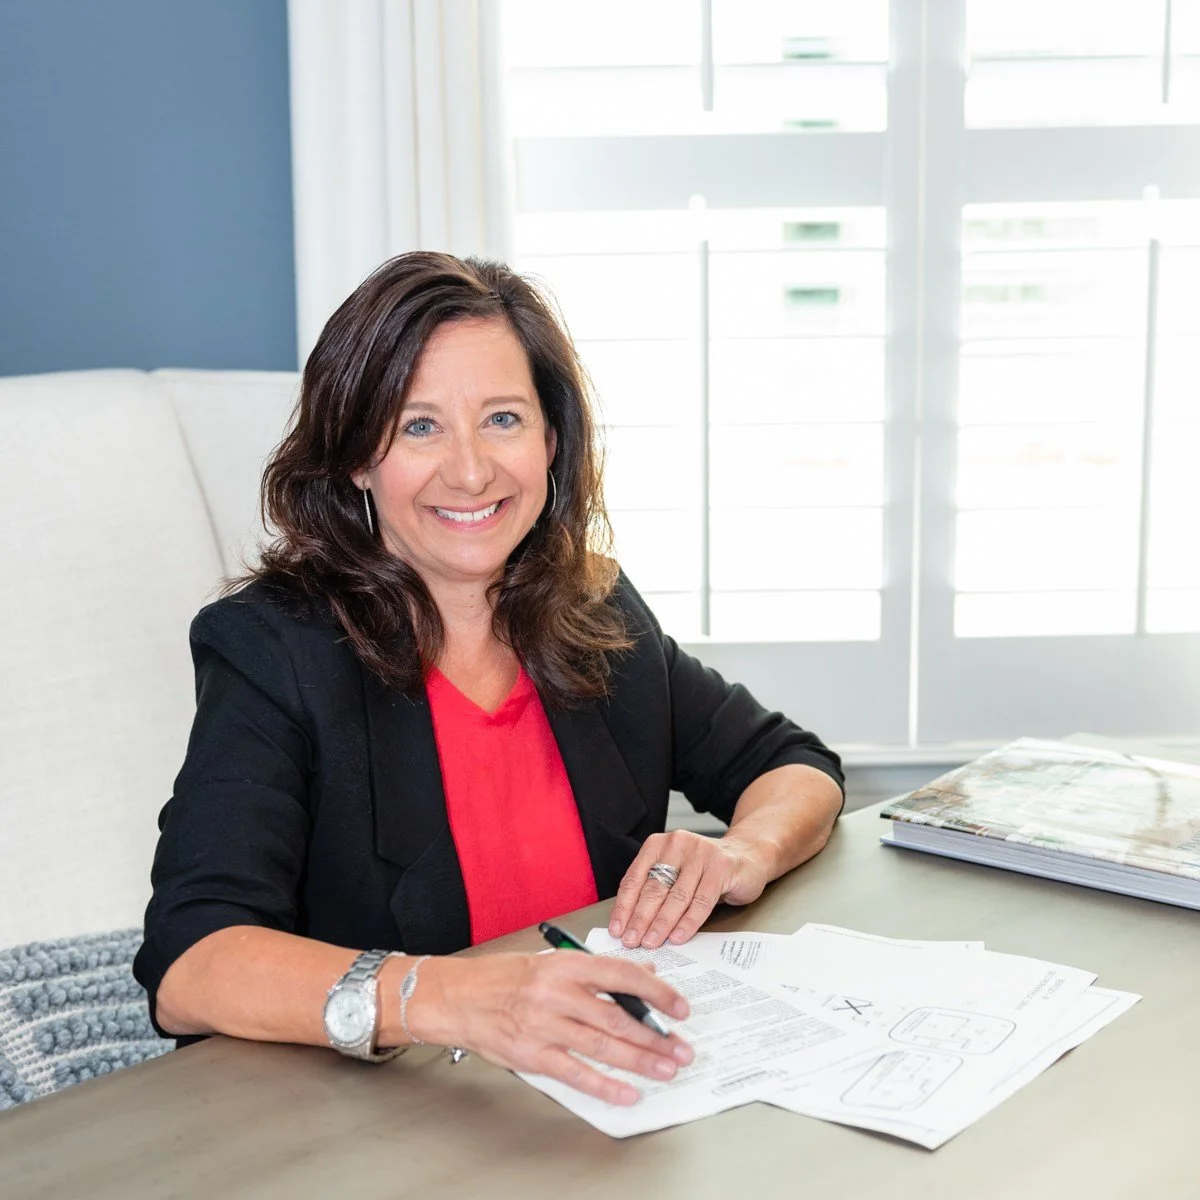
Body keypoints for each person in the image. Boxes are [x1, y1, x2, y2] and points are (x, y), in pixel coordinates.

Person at [134, 251, 845, 1107]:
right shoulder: (271, 649)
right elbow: (190, 964)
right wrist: (446, 998)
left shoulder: (596, 606)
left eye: (502, 418)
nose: (470, 471)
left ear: (551, 439)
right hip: (387, 1115)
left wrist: (741, 851)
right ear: (358, 456)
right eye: (418, 426)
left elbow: (794, 764)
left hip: (608, 1096)